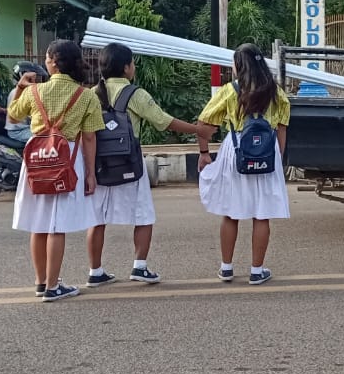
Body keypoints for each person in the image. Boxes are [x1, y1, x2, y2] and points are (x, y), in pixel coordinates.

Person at [85, 43, 215, 288]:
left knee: (97, 219)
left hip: (100, 165)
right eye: (132, 63)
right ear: (126, 68)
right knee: (143, 215)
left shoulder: (92, 94)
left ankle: (95, 271)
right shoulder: (136, 94)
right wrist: (198, 130)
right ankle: (139, 267)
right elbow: (163, 122)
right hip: (129, 164)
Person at [6, 40, 104, 302]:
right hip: (66, 160)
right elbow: (90, 137)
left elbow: (13, 116)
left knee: (38, 225)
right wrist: (91, 174)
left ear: (52, 62)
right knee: (56, 225)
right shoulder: (86, 96)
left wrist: (19, 87)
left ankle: (41, 282)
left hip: (36, 160)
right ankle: (53, 286)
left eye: (49, 59)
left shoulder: (34, 91)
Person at [195, 43, 291, 286]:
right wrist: (276, 158)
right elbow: (281, 129)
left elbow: (204, 124)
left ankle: (226, 268)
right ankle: (257, 271)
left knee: (231, 212)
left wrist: (204, 153)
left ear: (239, 66)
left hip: (235, 151)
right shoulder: (276, 92)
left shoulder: (230, 91)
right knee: (262, 215)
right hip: (266, 153)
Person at [5, 61, 45, 145]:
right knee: (45, 138)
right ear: (24, 75)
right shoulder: (21, 92)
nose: (38, 81)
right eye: (35, 77)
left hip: (25, 128)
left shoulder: (18, 91)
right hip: (17, 131)